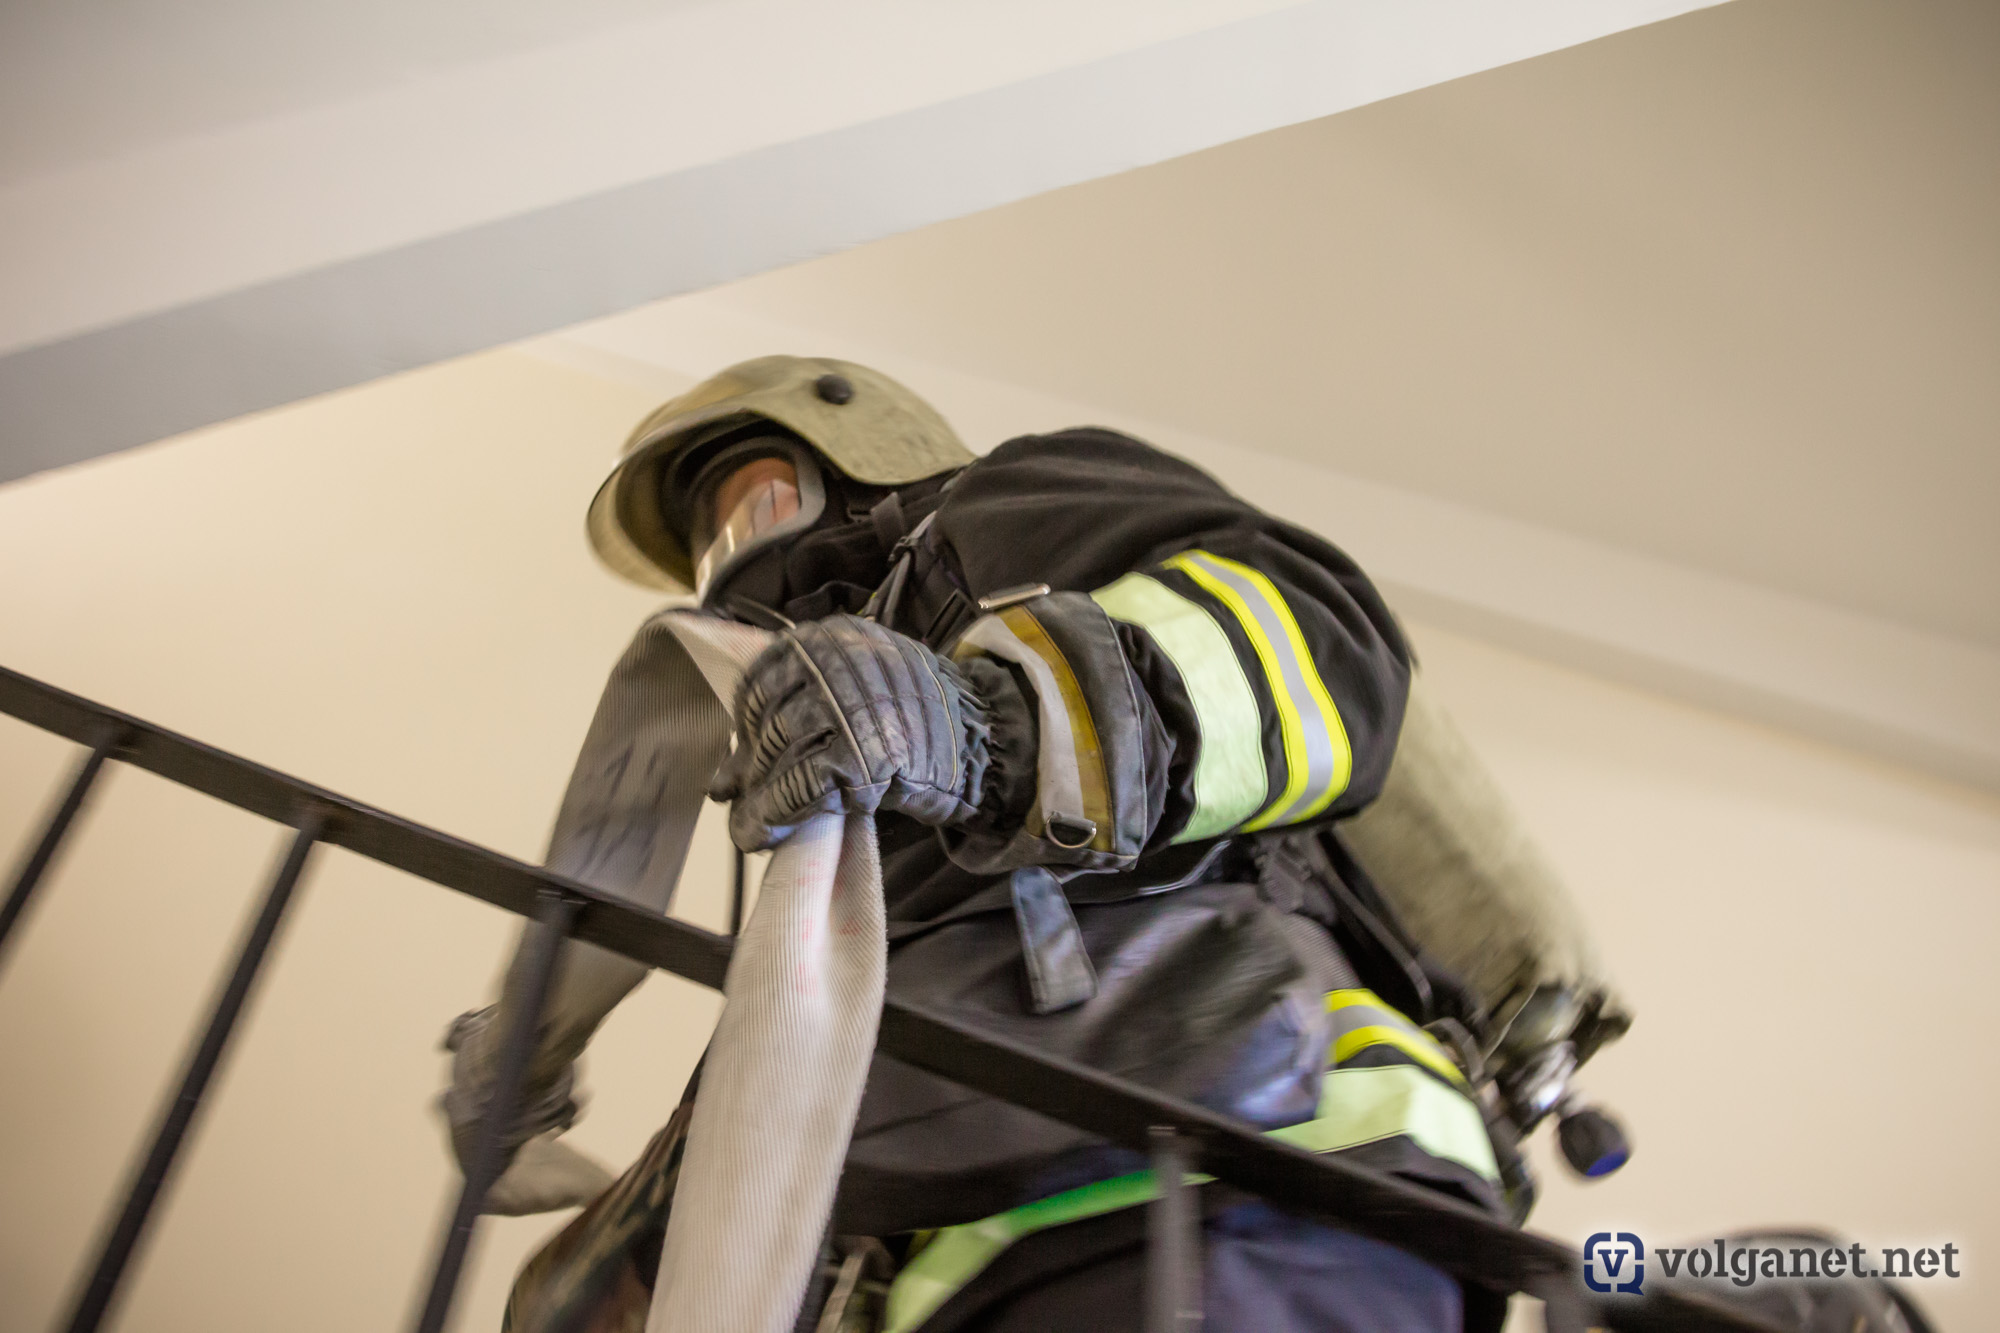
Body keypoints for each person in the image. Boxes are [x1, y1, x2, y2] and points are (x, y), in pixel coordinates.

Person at [444, 356, 1630, 1333]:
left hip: (1234, 1168)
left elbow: (1311, 636)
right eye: (711, 541)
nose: (734, 559)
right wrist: (541, 1075)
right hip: (999, 1244)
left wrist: (989, 727)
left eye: (755, 499)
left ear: (864, 459)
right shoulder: (844, 779)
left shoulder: (993, 516)